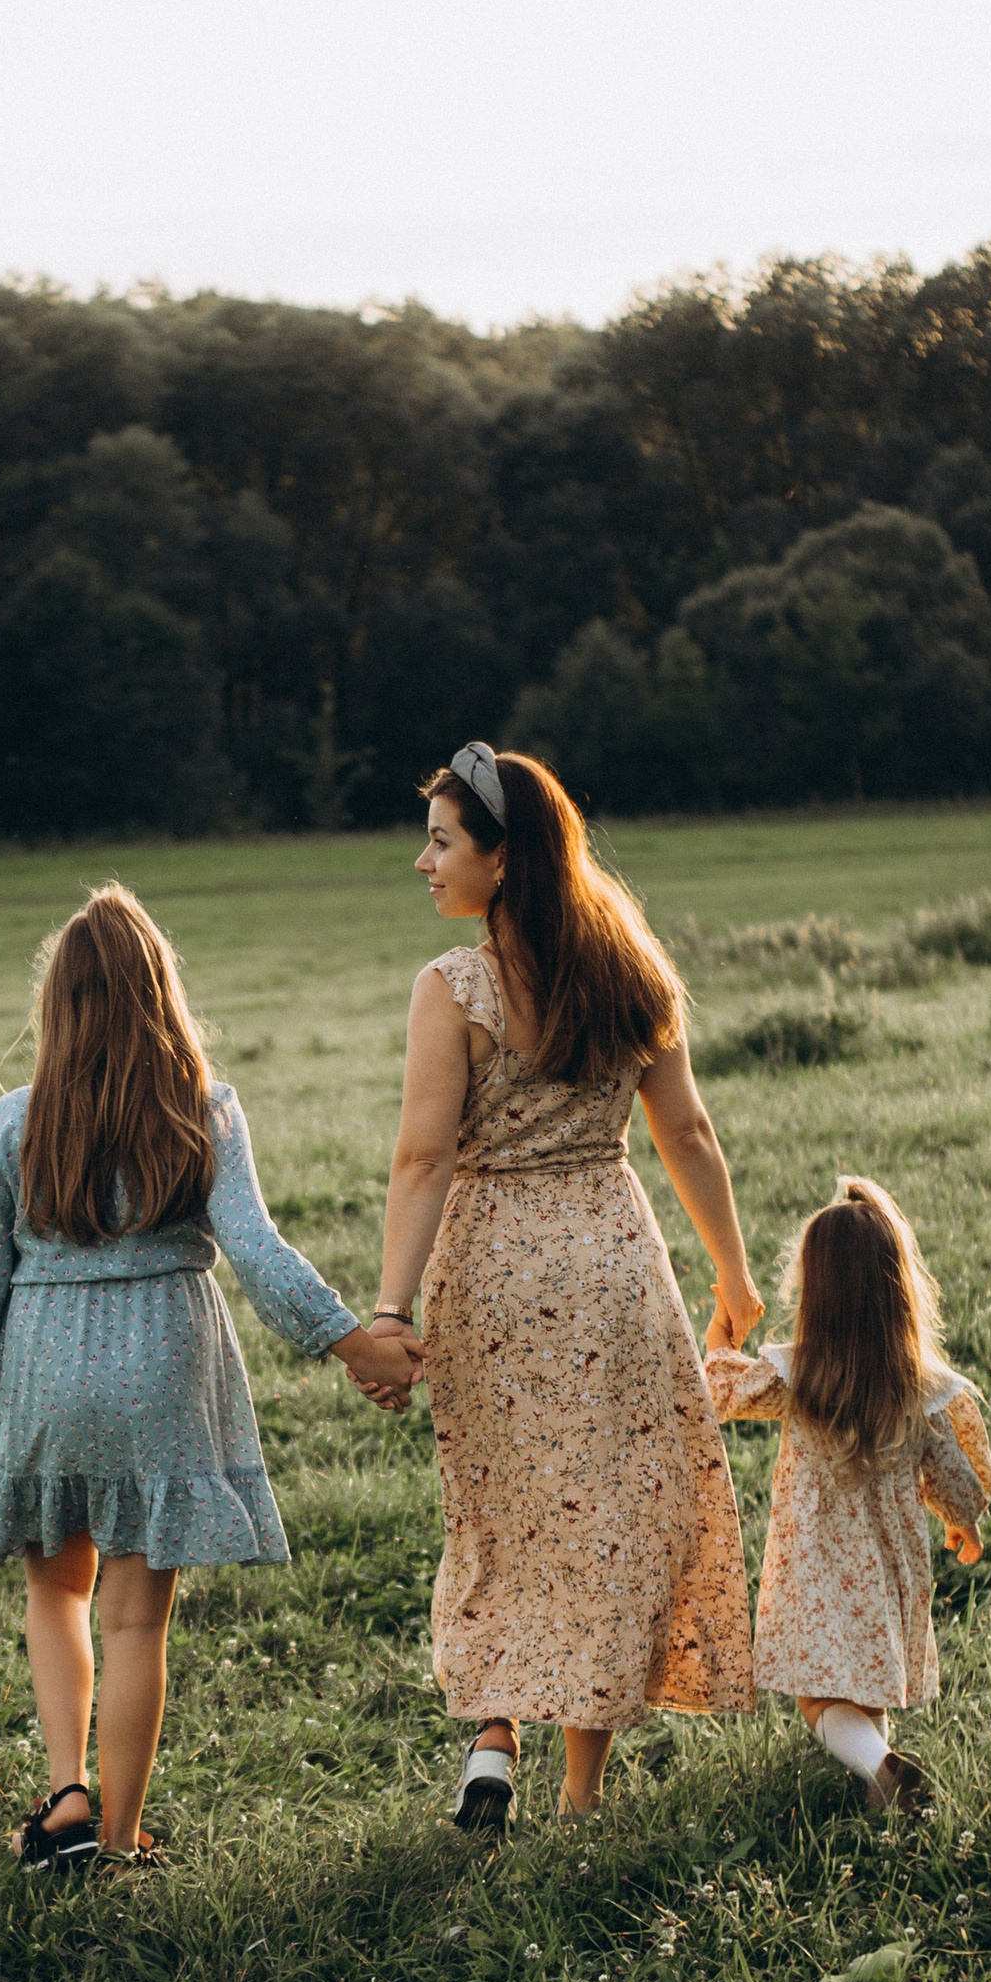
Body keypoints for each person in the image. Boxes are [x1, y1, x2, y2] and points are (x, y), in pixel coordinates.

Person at [0, 883, 420, 1869]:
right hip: (162, 1369)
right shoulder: (202, 1110)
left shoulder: (13, 1123)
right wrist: (350, 1342)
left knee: (56, 1595)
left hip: (42, 1372)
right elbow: (258, 1252)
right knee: (136, 1621)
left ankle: (65, 1797)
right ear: (161, 996)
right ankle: (119, 1840)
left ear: (56, 1008)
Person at [372, 741, 759, 1830]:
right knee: (605, 1527)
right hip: (612, 1266)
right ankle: (579, 1797)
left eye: (441, 841)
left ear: (502, 859)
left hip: (489, 1273)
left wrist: (392, 1311)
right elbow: (683, 1130)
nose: (423, 862)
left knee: (498, 1516)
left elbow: (422, 1158)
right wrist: (732, 1275)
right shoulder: (630, 963)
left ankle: (494, 1737)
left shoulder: (455, 989)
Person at [704, 1174, 991, 1817]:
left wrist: (720, 1342)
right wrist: (963, 1525)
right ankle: (881, 1792)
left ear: (818, 1293)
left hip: (814, 1569)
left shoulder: (799, 1373)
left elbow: (722, 1393)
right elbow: (955, 1476)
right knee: (869, 1691)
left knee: (818, 1699)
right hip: (888, 1571)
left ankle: (881, 1767)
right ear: (897, 1293)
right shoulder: (920, 1388)